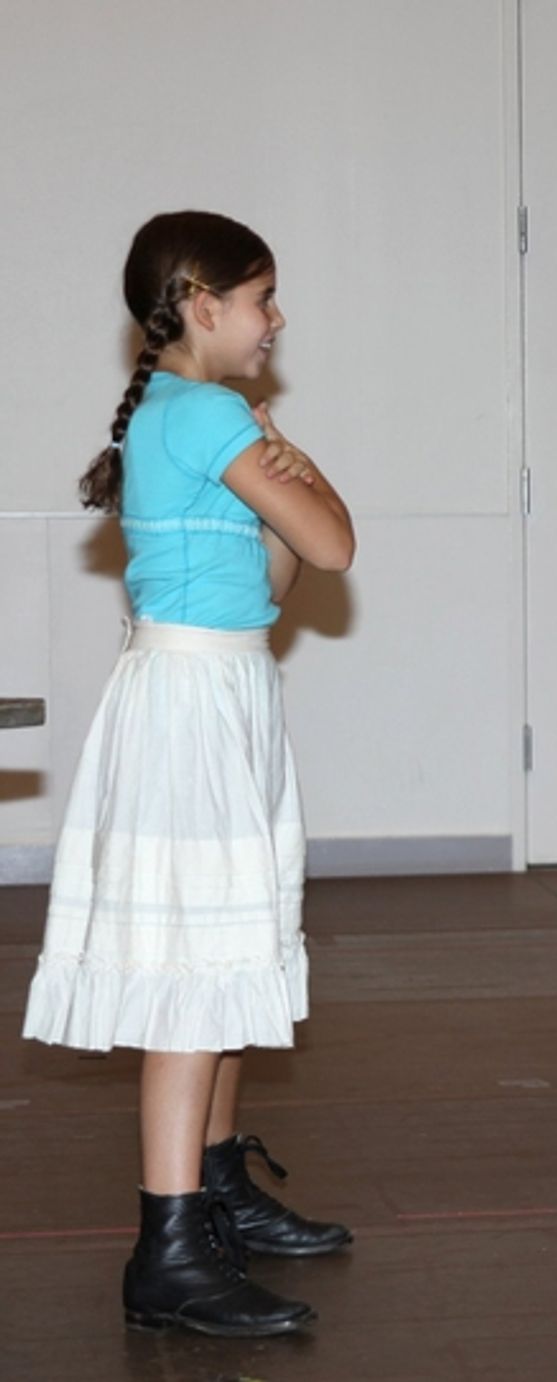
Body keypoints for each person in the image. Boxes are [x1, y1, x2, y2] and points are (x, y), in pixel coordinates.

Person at [22, 211, 356, 1333]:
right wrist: (299, 466)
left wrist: (284, 477)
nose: (277, 319)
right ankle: (168, 1245)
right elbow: (337, 543)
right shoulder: (208, 410)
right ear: (203, 303)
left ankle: (213, 1195)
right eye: (263, 299)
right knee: (188, 971)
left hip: (218, 685)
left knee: (227, 947)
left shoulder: (185, 413)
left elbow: (273, 579)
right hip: (191, 703)